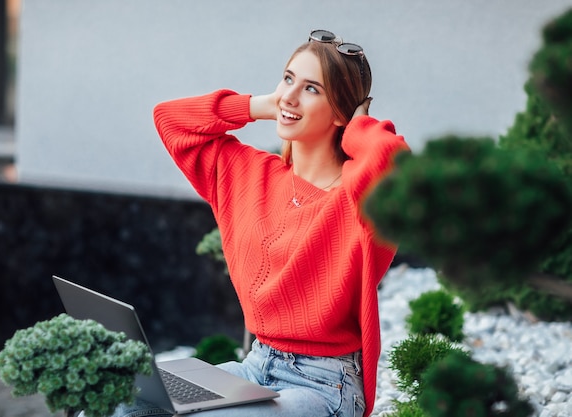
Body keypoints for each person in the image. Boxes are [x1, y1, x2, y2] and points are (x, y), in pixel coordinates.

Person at [114, 29, 409, 417]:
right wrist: (260, 106)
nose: (290, 95)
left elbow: (394, 164)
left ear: (341, 112)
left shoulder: (358, 201)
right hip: (256, 366)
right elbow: (170, 120)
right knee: (124, 399)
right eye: (288, 79)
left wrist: (356, 129)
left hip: (324, 386)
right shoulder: (249, 173)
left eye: (312, 89)